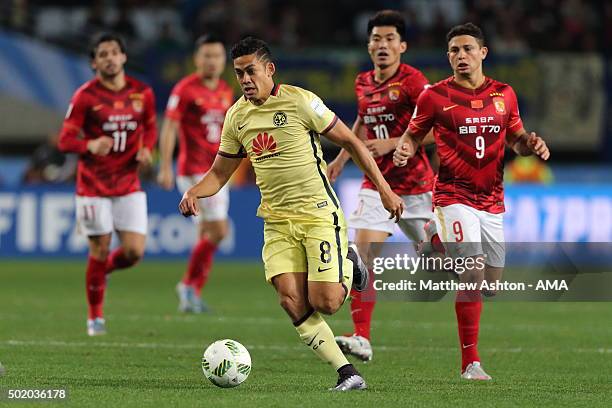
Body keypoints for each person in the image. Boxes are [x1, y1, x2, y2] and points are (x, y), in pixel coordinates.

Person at [179, 37, 404, 391]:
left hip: (317, 214)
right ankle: (348, 373)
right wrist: (194, 191)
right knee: (289, 298)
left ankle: (350, 260)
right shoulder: (237, 116)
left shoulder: (301, 101)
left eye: (250, 71)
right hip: (277, 222)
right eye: (239, 74)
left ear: (269, 69)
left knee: (326, 302)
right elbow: (220, 173)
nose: (245, 79)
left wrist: (385, 189)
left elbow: (351, 141)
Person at [393, 23, 550, 380]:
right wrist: (404, 148)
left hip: (492, 199)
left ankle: (435, 240)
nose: (460, 56)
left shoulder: (504, 94)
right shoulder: (434, 96)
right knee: (473, 270)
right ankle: (471, 363)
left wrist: (531, 145)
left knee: (490, 284)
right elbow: (413, 135)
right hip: (452, 194)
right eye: (454, 51)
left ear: (483, 52)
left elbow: (517, 138)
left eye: (467, 49)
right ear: (448, 56)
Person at [327, 10, 435, 362]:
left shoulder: (415, 82)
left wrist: (393, 143)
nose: (382, 45)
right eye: (376, 39)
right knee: (361, 257)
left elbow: (439, 127)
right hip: (376, 183)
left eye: (390, 39)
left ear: (402, 46)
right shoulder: (362, 82)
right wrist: (342, 161)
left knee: (444, 262)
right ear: (368, 45)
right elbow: (362, 120)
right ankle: (361, 336)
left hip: (418, 188)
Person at [58, 32, 157, 336]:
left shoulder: (143, 93)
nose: (110, 58)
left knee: (133, 252)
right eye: (103, 54)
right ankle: (95, 317)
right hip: (93, 185)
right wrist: (88, 145)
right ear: (93, 62)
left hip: (128, 183)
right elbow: (64, 139)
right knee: (99, 249)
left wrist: (147, 149)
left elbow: (151, 127)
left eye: (115, 52)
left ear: (124, 57)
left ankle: (103, 273)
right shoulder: (85, 96)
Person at [158, 34, 234, 313]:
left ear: (223, 60)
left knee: (208, 233)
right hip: (194, 172)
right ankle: (189, 285)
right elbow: (169, 128)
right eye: (207, 56)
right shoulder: (185, 89)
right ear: (196, 59)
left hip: (217, 171)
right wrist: (165, 165)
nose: (212, 61)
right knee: (219, 230)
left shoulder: (226, 90)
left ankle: (191, 292)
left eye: (216, 56)